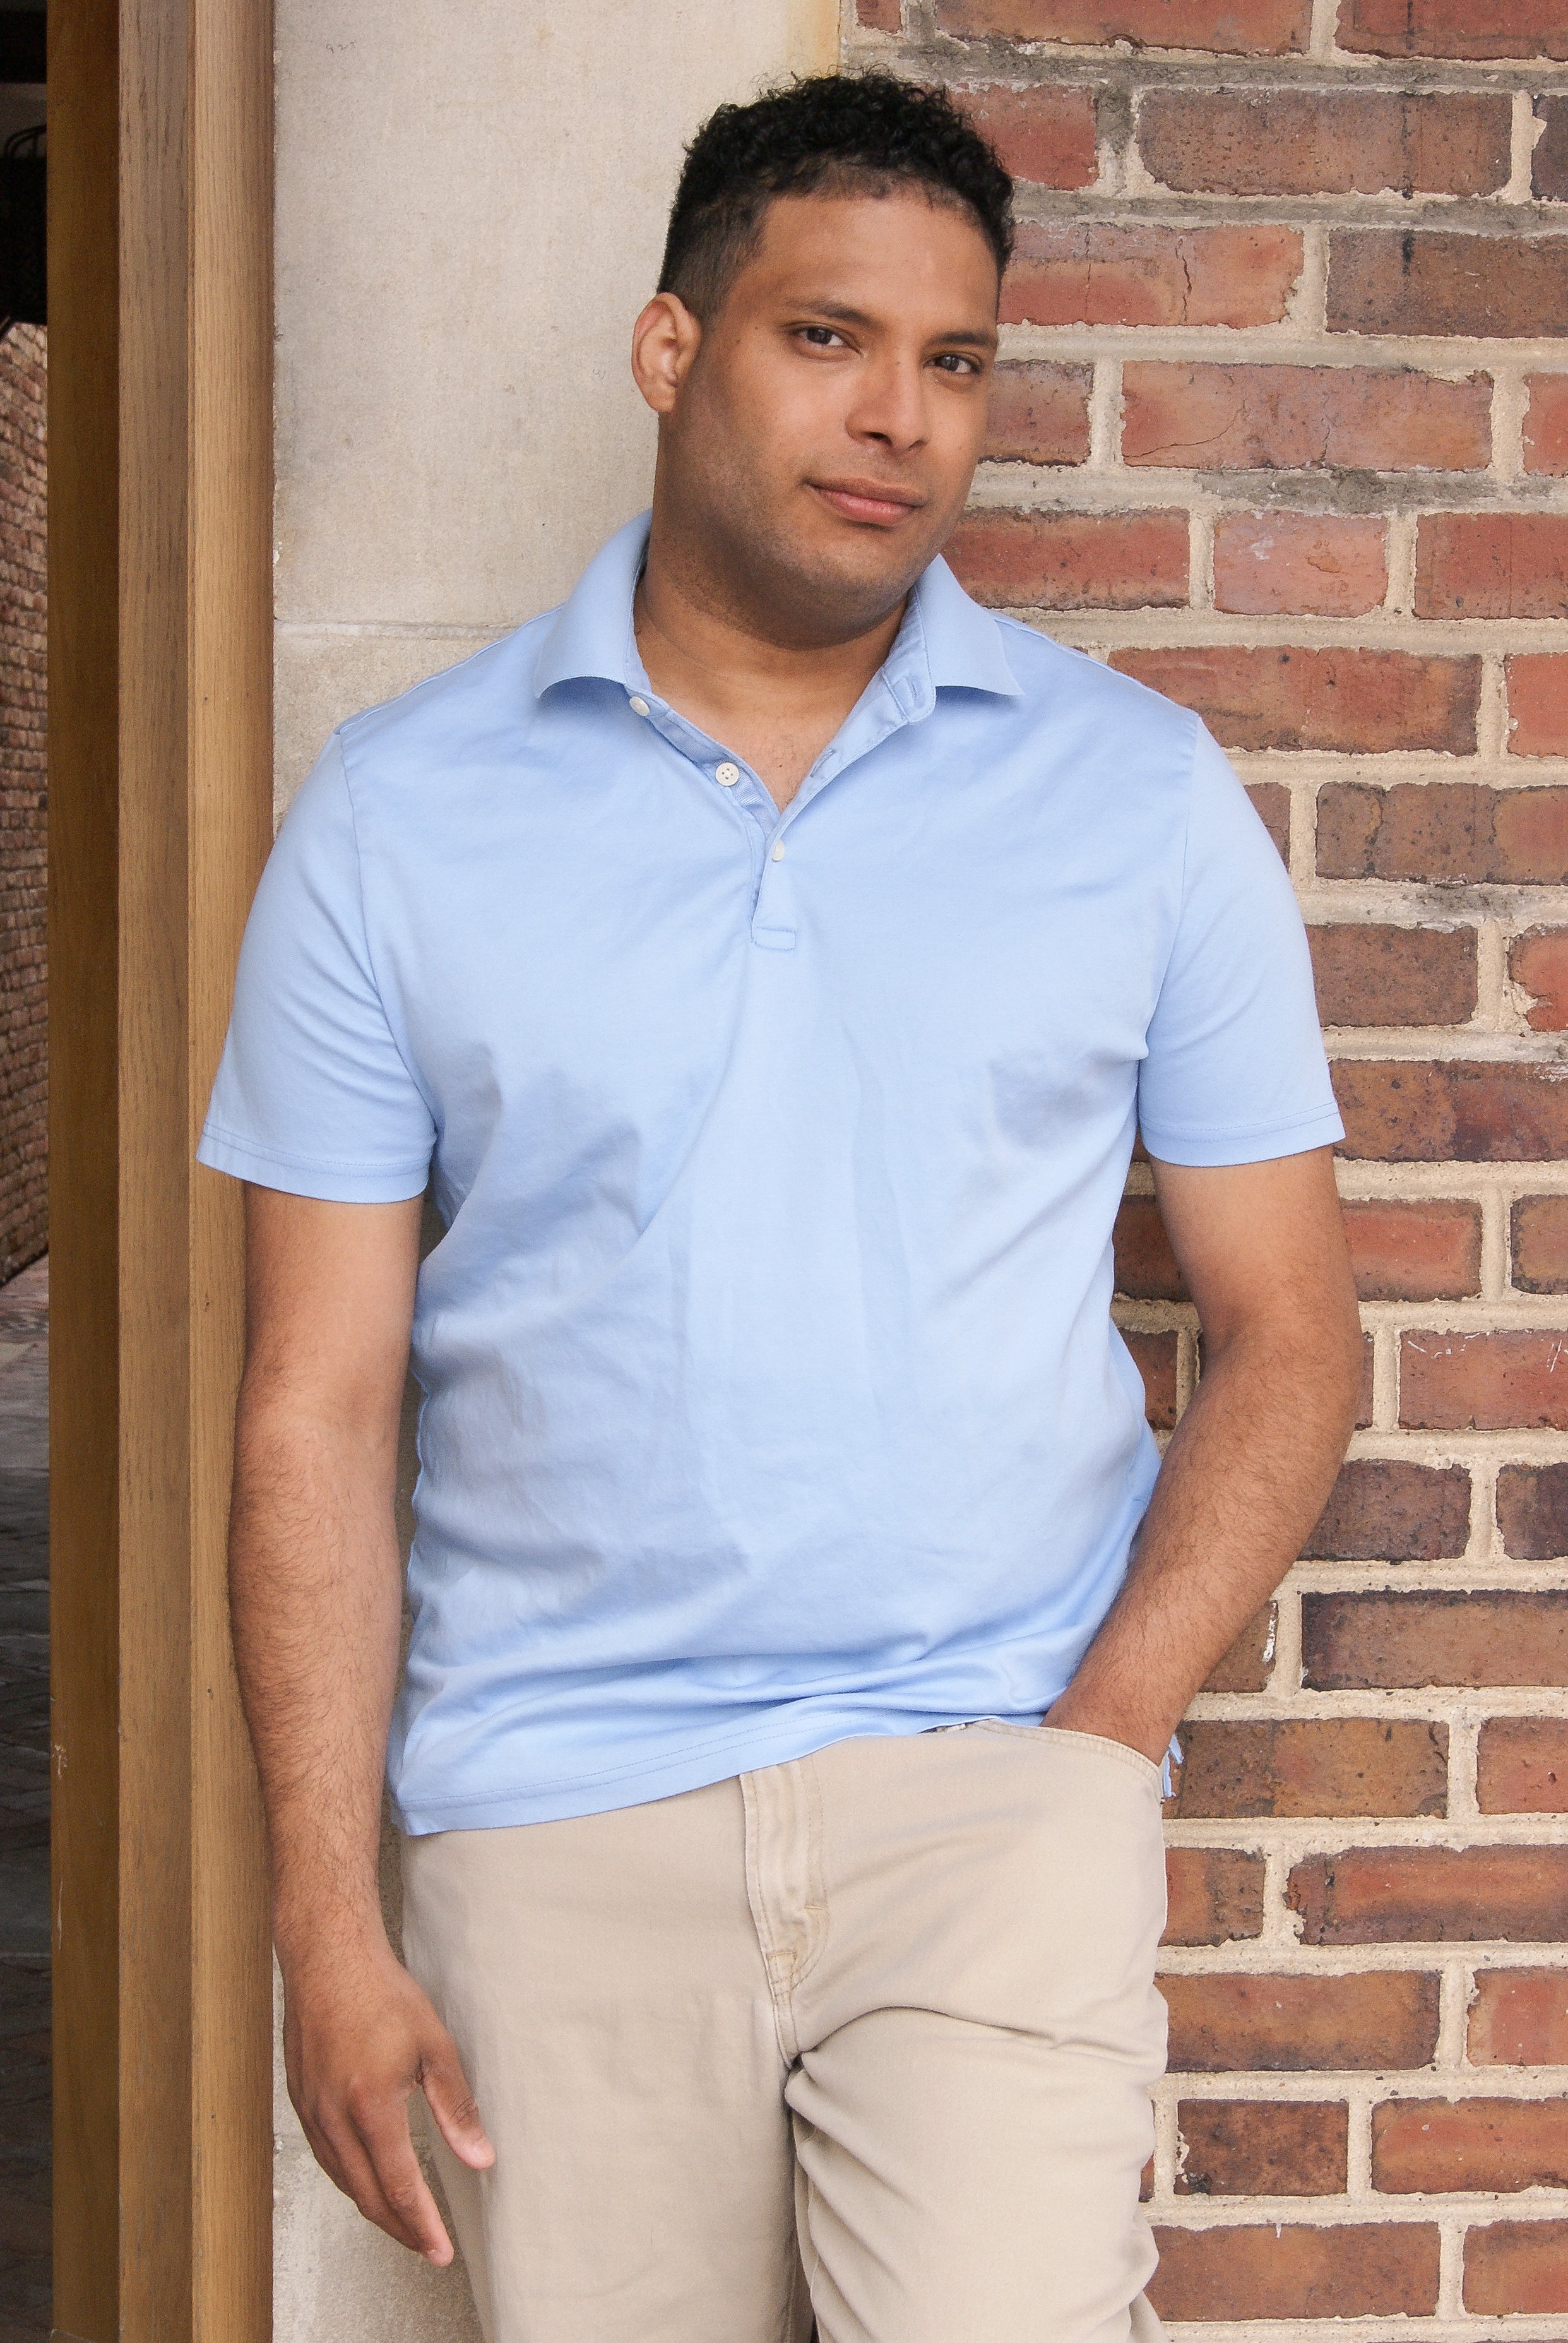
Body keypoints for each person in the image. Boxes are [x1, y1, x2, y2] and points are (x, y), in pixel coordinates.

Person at [200, 71, 1362, 2343]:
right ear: (672, 350)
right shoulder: (396, 817)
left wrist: (1097, 1745)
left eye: (954, 362)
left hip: (984, 1792)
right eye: (825, 337)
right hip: (554, 1823)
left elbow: (1286, 1322)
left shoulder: (1131, 794)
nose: (900, 419)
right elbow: (314, 1403)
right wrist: (332, 1931)